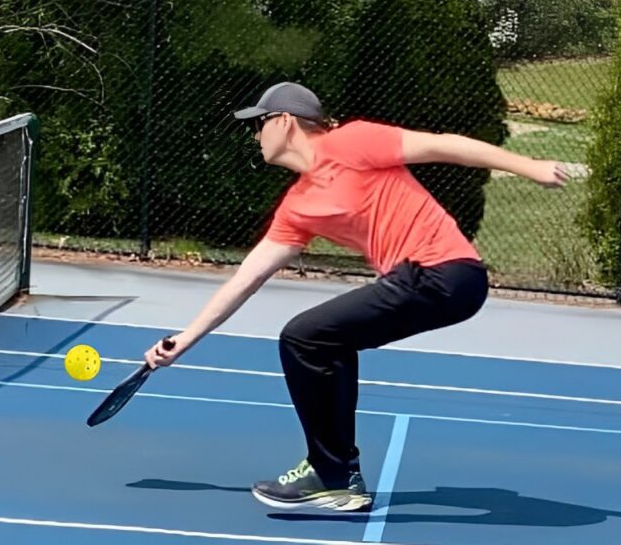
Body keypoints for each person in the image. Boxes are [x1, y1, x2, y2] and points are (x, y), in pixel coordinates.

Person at [142, 82, 568, 512]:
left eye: (259, 123)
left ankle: (331, 471)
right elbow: (245, 279)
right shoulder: (297, 206)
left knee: (305, 336)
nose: (255, 135)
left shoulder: (352, 141)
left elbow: (446, 145)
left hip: (445, 271)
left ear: (285, 121)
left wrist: (529, 167)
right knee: (321, 340)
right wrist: (186, 338)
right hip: (426, 281)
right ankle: (338, 475)